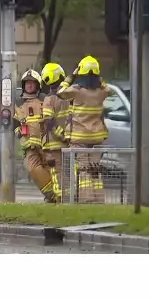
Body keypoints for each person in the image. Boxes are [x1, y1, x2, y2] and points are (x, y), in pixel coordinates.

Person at [56, 56, 110, 203]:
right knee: (95, 170)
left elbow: (60, 92)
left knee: (84, 169)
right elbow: (109, 89)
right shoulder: (101, 92)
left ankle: (86, 200)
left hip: (79, 137)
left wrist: (71, 76)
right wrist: (100, 79)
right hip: (97, 137)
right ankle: (99, 200)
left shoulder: (77, 91)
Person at [14, 69, 60, 203]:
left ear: (37, 85)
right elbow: (14, 123)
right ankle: (51, 194)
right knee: (32, 168)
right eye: (27, 83)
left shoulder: (45, 99)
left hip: (46, 144)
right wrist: (19, 132)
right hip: (29, 146)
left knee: (50, 169)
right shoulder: (18, 103)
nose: (29, 85)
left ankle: (56, 197)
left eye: (32, 83)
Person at [40, 62, 70, 201]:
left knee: (56, 173)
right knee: (66, 172)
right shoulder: (69, 97)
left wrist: (61, 135)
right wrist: (66, 136)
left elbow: (49, 122)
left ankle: (60, 199)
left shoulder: (48, 100)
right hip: (67, 143)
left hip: (53, 145)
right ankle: (66, 198)